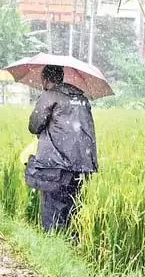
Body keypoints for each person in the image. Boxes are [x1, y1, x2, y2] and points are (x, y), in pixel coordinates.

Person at [24, 65, 98, 234]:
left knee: (52, 210)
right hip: (82, 164)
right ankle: (69, 248)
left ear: (45, 79)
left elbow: (34, 126)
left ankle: (51, 248)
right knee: (72, 209)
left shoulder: (50, 95)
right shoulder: (81, 98)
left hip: (56, 164)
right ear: (61, 77)